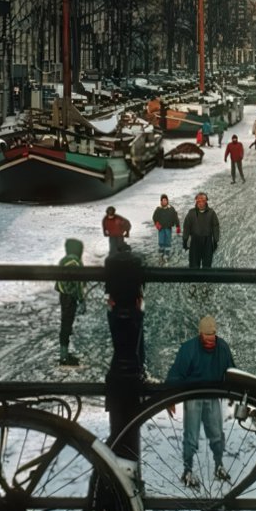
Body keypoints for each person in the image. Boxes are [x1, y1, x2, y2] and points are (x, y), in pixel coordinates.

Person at [166, 315, 236, 486]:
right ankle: (187, 470)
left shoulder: (223, 348)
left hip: (213, 396)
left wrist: (234, 393)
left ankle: (219, 465)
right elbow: (176, 374)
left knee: (217, 435)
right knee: (191, 436)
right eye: (206, 336)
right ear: (200, 334)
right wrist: (170, 399)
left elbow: (232, 372)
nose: (210, 339)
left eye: (212, 335)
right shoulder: (188, 349)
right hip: (193, 396)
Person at [104, 242, 147, 462]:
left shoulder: (114, 313)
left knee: (118, 438)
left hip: (118, 378)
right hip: (130, 377)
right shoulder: (136, 312)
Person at [55, 237, 86, 366]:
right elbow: (78, 283)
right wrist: (81, 299)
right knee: (67, 324)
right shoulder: (76, 262)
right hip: (70, 297)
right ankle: (64, 357)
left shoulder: (63, 260)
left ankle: (64, 353)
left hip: (63, 296)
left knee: (65, 322)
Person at [182, 192, 221, 268]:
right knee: (194, 265)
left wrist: (215, 241)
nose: (201, 204)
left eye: (203, 201)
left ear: (206, 202)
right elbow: (186, 227)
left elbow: (215, 226)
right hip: (195, 242)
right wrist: (185, 240)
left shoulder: (211, 213)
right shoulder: (191, 213)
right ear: (196, 202)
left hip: (207, 242)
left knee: (207, 265)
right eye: (198, 201)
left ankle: (205, 279)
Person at [152, 194, 181, 263]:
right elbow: (154, 217)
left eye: (165, 200)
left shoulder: (171, 209)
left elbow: (175, 217)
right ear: (161, 201)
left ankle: (167, 254)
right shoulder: (158, 209)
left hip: (168, 228)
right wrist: (156, 223)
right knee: (161, 241)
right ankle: (161, 253)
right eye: (163, 200)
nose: (164, 202)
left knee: (167, 241)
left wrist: (178, 226)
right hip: (161, 228)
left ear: (167, 201)